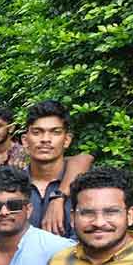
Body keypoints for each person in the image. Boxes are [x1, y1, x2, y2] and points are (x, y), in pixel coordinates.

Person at [23, 100, 95, 237]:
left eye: (55, 132)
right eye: (37, 132)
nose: (45, 139)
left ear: (67, 140)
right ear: (25, 141)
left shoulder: (88, 185)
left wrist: (58, 197)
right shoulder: (13, 184)